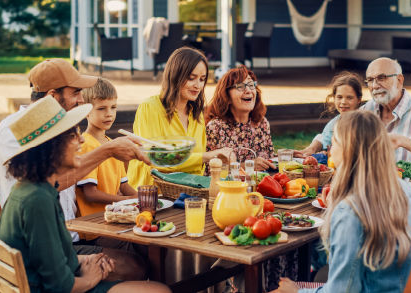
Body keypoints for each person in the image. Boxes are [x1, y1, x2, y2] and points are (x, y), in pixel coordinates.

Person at [0, 58, 148, 280]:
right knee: (137, 265)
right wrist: (108, 151)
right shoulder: (15, 130)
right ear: (52, 96)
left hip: (73, 234)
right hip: (45, 246)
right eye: (75, 92)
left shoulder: (58, 126)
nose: (81, 99)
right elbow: (54, 182)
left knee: (145, 245)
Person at [0, 96, 170, 293]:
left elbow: (49, 258)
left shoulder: (33, 189)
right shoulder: (38, 200)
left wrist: (86, 259)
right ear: (51, 148)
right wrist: (91, 278)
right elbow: (60, 286)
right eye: (72, 135)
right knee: (159, 290)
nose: (81, 139)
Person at [271, 110, 411, 293]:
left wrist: (296, 292)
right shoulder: (407, 192)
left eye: (333, 141)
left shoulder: (350, 211)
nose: (330, 149)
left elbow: (342, 290)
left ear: (347, 149)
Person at [127, 47, 234, 187]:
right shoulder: (150, 107)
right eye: (191, 78)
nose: (198, 85)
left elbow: (197, 168)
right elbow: (158, 160)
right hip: (152, 193)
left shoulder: (197, 116)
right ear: (175, 76)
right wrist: (207, 156)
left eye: (202, 79)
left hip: (187, 193)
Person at [76, 78, 137, 217]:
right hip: (93, 225)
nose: (109, 113)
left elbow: (123, 186)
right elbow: (90, 194)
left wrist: (141, 197)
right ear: (86, 111)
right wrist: (125, 200)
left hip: (114, 218)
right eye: (101, 108)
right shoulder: (86, 144)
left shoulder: (113, 143)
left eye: (113, 107)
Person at [360, 57, 411, 163]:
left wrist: (403, 142)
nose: (375, 86)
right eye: (370, 80)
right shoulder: (364, 112)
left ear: (399, 80)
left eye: (382, 78)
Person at [205, 65, 276, 171]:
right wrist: (248, 166)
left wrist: (283, 158)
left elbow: (269, 160)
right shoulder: (215, 127)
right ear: (227, 97)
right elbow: (211, 172)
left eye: (251, 85)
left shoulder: (262, 123)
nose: (248, 90)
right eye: (240, 86)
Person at [298, 71, 363, 156]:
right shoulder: (333, 124)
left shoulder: (363, 123)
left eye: (349, 98)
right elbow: (324, 139)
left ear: (359, 100)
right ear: (334, 98)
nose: (343, 102)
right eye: (339, 97)